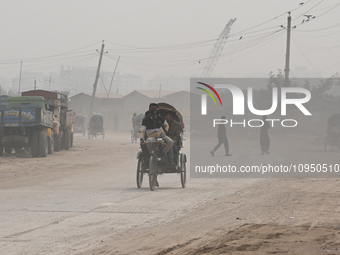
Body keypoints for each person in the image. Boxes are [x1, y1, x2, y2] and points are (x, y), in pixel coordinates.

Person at [140, 108, 173, 187]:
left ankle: (163, 153)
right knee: (148, 142)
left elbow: (166, 125)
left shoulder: (160, 118)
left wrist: (165, 131)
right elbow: (142, 130)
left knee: (170, 142)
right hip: (151, 136)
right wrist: (141, 138)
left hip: (161, 135)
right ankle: (152, 155)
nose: (153, 115)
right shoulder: (146, 120)